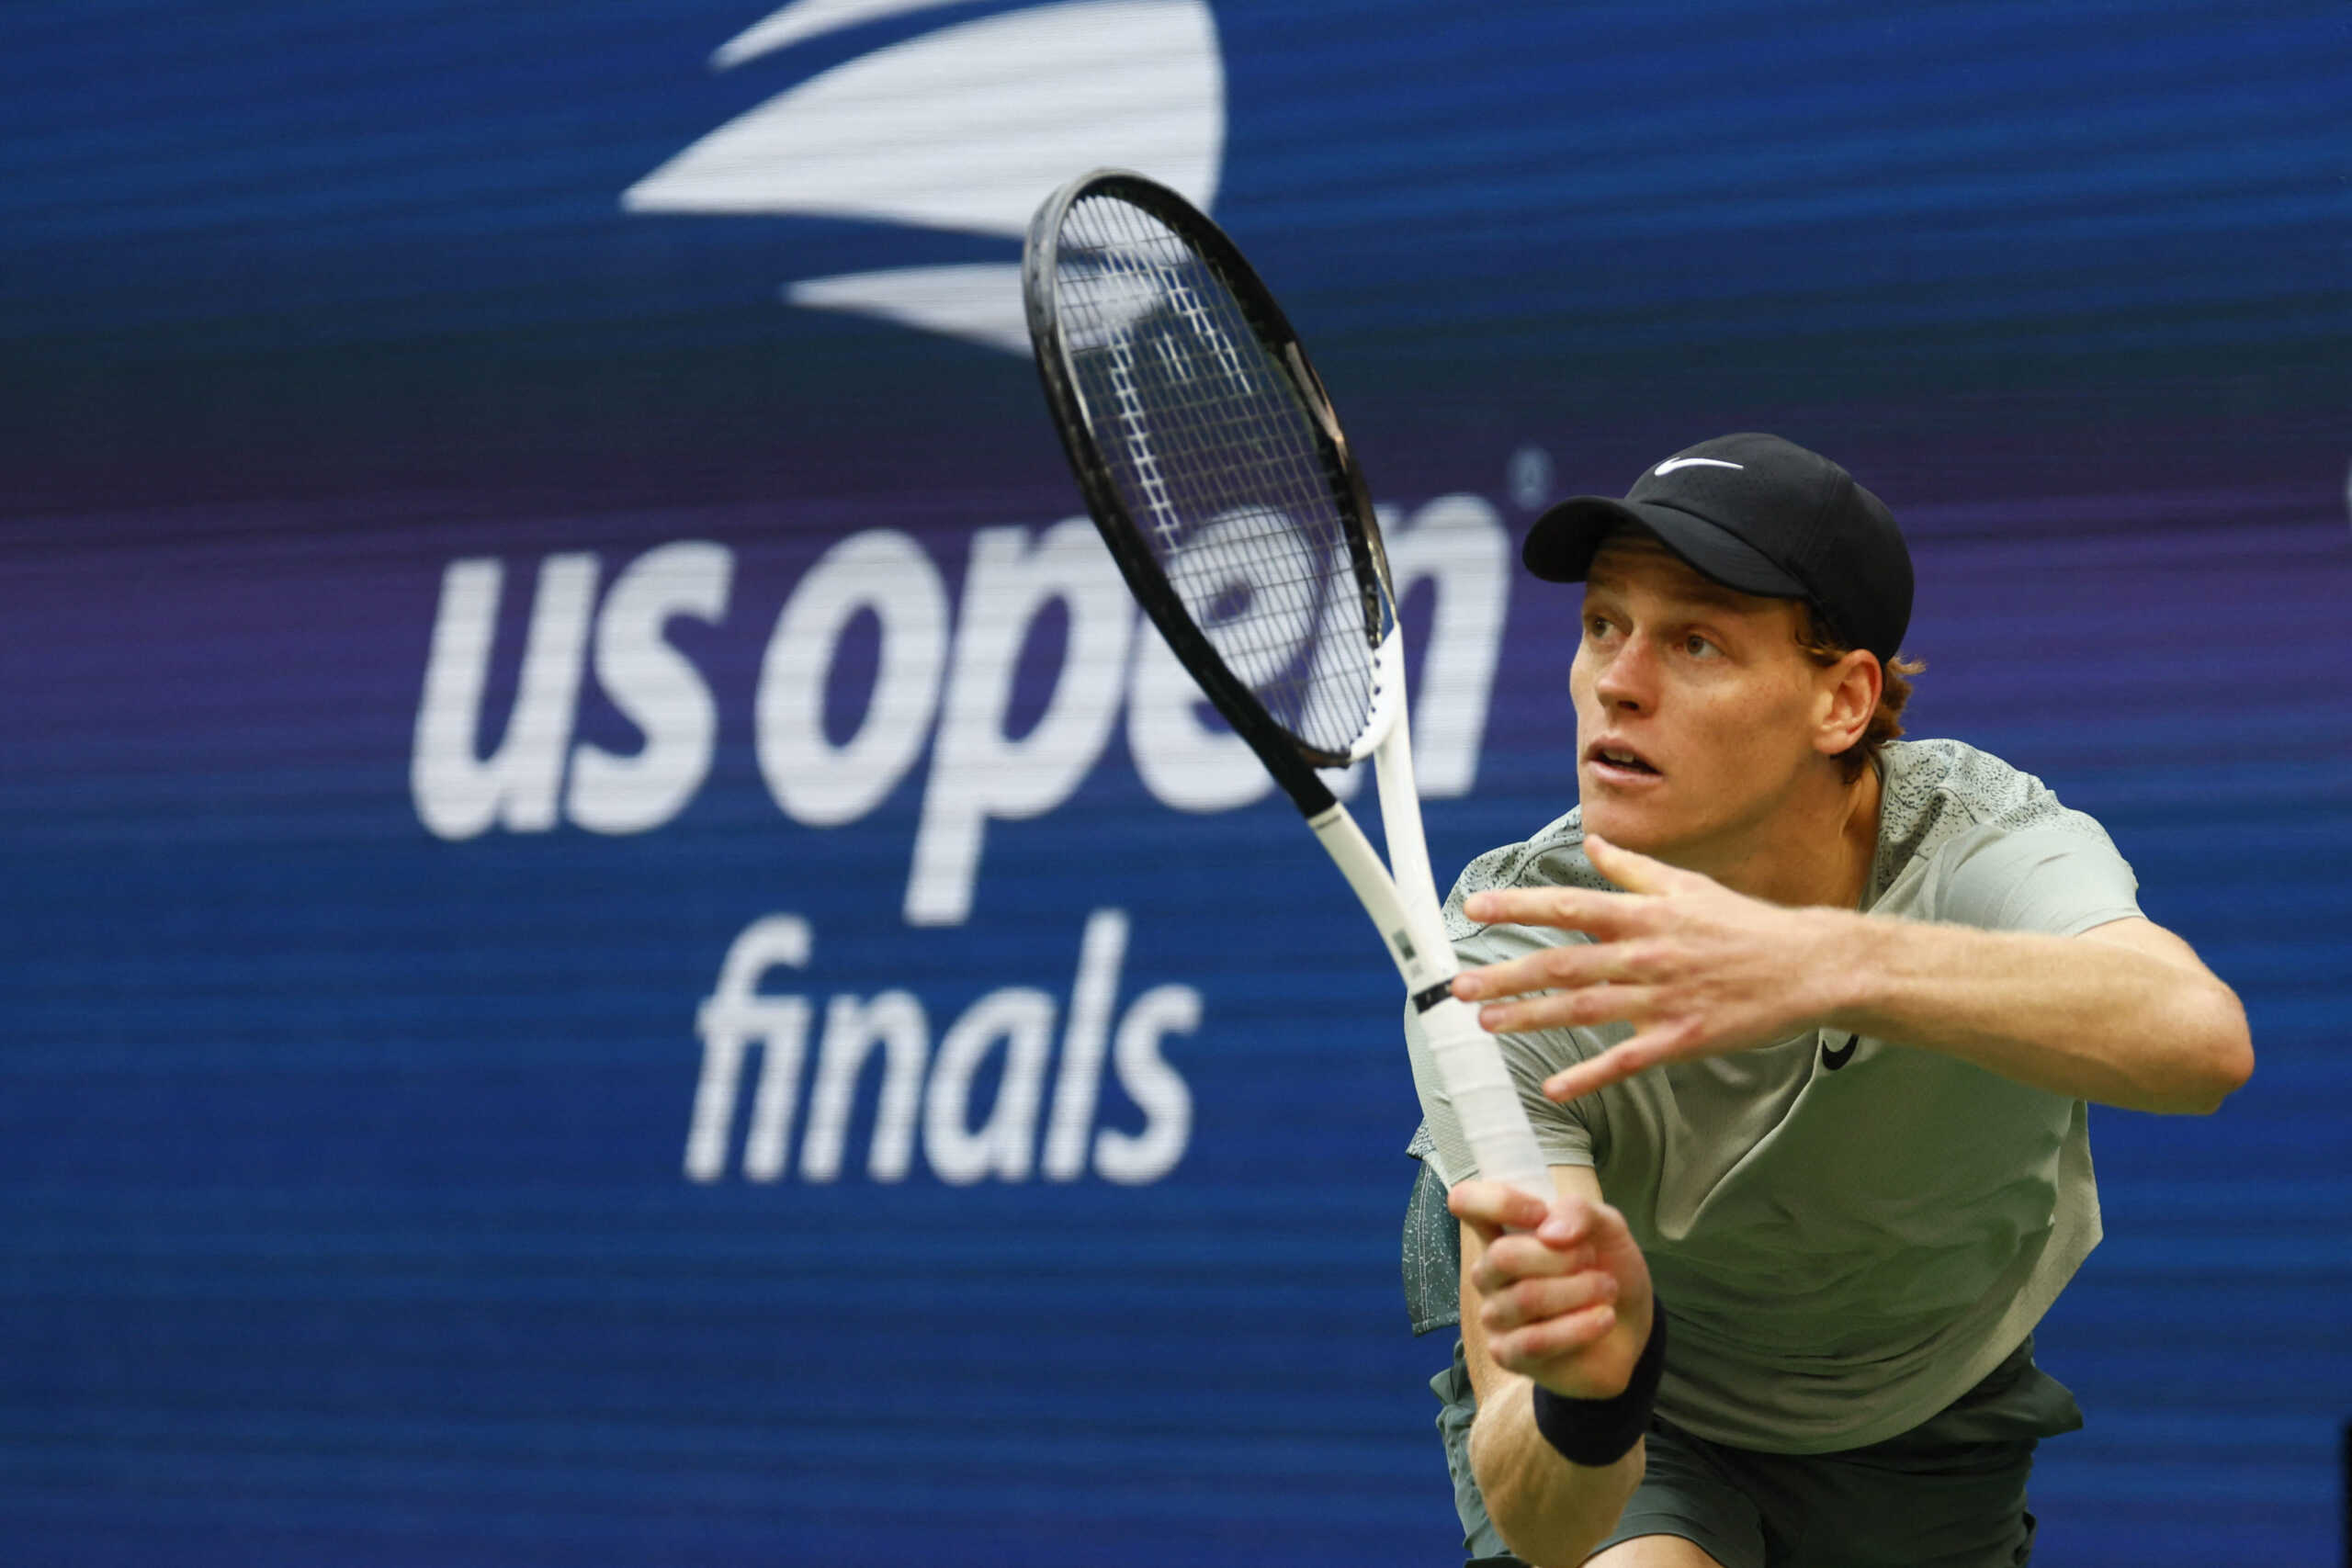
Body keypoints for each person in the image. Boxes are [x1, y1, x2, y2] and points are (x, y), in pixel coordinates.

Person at [1397, 433, 2252, 1568]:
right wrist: (1592, 1400)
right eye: (1604, 624)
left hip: (1925, 1401)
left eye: (1694, 640)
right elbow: (1542, 1523)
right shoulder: (1513, 954)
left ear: (1842, 700)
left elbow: (2196, 1042)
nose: (1617, 680)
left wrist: (1824, 962)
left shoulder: (1973, 836)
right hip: (1662, 1404)